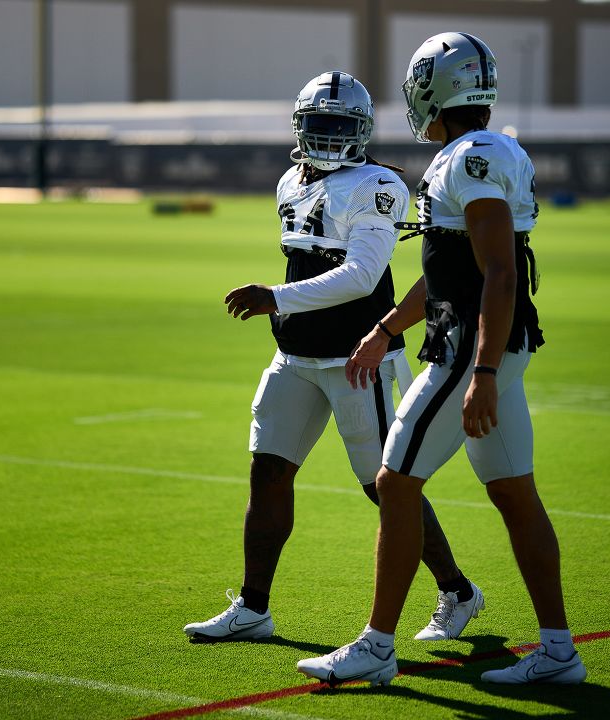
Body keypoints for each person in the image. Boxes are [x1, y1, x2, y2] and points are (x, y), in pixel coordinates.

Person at [296, 33, 586, 686]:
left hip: (470, 349)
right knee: (515, 494)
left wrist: (480, 374)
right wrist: (387, 325)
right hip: (489, 345)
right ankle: (560, 650)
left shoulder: (470, 157)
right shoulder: (484, 150)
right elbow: (449, 269)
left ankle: (376, 644)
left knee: (395, 482)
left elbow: (499, 276)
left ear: (435, 87)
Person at [183, 71, 483, 645]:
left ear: (362, 131)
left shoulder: (376, 185)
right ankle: (253, 607)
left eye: (338, 126)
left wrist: (275, 297)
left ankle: (458, 591)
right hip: (295, 355)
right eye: (317, 124)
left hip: (355, 356)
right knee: (268, 470)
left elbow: (362, 275)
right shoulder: (290, 181)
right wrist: (283, 309)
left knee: (384, 484)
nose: (325, 136)